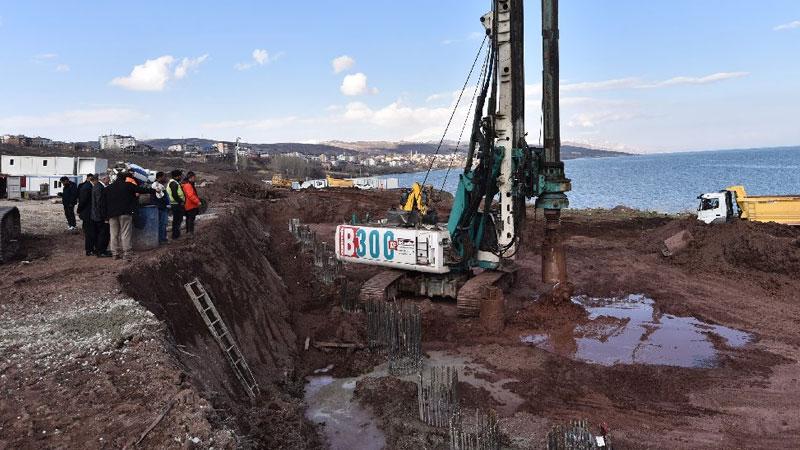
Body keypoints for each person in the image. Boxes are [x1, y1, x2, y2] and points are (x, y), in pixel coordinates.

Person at [104, 172, 152, 261]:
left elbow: (103, 203)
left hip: (112, 215)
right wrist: (153, 190)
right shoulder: (128, 185)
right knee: (125, 233)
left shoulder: (108, 188)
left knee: (114, 234)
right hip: (125, 213)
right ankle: (127, 253)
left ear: (116, 178)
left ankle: (115, 253)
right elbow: (141, 190)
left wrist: (105, 215)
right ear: (125, 178)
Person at [92, 175, 112, 257]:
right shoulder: (99, 188)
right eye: (108, 179)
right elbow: (100, 203)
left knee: (102, 234)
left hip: (98, 215)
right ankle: (101, 252)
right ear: (104, 179)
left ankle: (101, 250)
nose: (109, 180)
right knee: (103, 234)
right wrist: (105, 217)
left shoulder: (98, 186)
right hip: (100, 216)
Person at [76, 174, 96, 255]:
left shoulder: (87, 186)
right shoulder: (87, 188)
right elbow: (83, 201)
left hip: (88, 213)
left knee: (90, 232)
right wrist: (79, 210)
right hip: (87, 213)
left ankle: (90, 249)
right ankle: (89, 250)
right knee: (89, 233)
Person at [151, 171, 170, 244]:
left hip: (160, 207)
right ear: (160, 177)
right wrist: (166, 204)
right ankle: (162, 239)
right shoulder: (157, 185)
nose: (165, 178)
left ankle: (162, 239)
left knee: (162, 224)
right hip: (161, 207)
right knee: (162, 224)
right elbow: (160, 197)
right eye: (164, 176)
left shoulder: (159, 185)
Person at [181, 171, 201, 237]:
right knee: (191, 219)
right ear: (191, 177)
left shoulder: (186, 184)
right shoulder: (188, 185)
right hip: (190, 205)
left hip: (188, 204)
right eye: (194, 177)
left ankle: (188, 232)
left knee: (188, 219)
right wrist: (197, 201)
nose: (195, 178)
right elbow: (191, 195)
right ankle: (190, 233)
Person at [167, 170, 185, 240]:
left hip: (176, 204)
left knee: (177, 220)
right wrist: (180, 201)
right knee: (177, 220)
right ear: (177, 176)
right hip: (176, 204)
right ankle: (175, 235)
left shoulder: (174, 183)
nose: (181, 177)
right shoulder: (173, 183)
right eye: (180, 175)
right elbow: (174, 194)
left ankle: (176, 234)